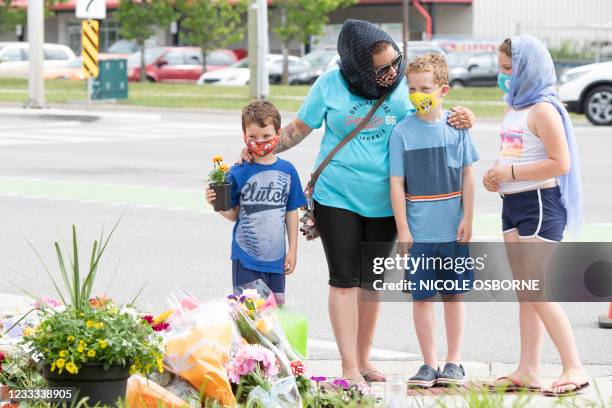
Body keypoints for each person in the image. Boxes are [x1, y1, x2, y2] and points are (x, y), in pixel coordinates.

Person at [240, 19, 475, 385]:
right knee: (344, 281)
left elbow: (431, 111)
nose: (392, 72)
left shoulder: (401, 86)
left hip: (386, 200)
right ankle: (348, 365)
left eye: (394, 61)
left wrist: (463, 115)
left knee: (371, 283)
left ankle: (365, 359)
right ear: (358, 65)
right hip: (338, 195)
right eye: (382, 67)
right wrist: (262, 148)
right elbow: (299, 130)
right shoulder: (329, 85)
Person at [484, 35, 589, 396]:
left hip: (540, 205)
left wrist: (509, 175)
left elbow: (560, 163)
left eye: (509, 69)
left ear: (528, 68)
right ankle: (527, 369)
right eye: (500, 68)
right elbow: (511, 154)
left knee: (537, 290)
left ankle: (574, 367)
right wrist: (494, 174)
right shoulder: (512, 107)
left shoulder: (544, 109)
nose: (503, 75)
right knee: (525, 293)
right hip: (512, 206)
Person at [389, 54, 479, 388]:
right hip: (419, 232)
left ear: (443, 90)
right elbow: (396, 183)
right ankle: (428, 363)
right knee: (422, 297)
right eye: (411, 88)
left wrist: (468, 216)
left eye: (424, 88)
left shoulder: (457, 128)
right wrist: (403, 228)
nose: (417, 94)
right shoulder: (402, 132)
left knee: (453, 296)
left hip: (453, 229)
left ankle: (454, 362)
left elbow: (469, 174)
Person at [206, 100, 307, 305]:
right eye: (252, 137)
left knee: (274, 317)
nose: (259, 142)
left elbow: (291, 212)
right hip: (246, 259)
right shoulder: (238, 171)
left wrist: (293, 250)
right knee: (249, 316)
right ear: (244, 136)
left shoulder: (287, 171)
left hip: (275, 261)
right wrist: (216, 204)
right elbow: (234, 214)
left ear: (278, 133)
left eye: (266, 136)